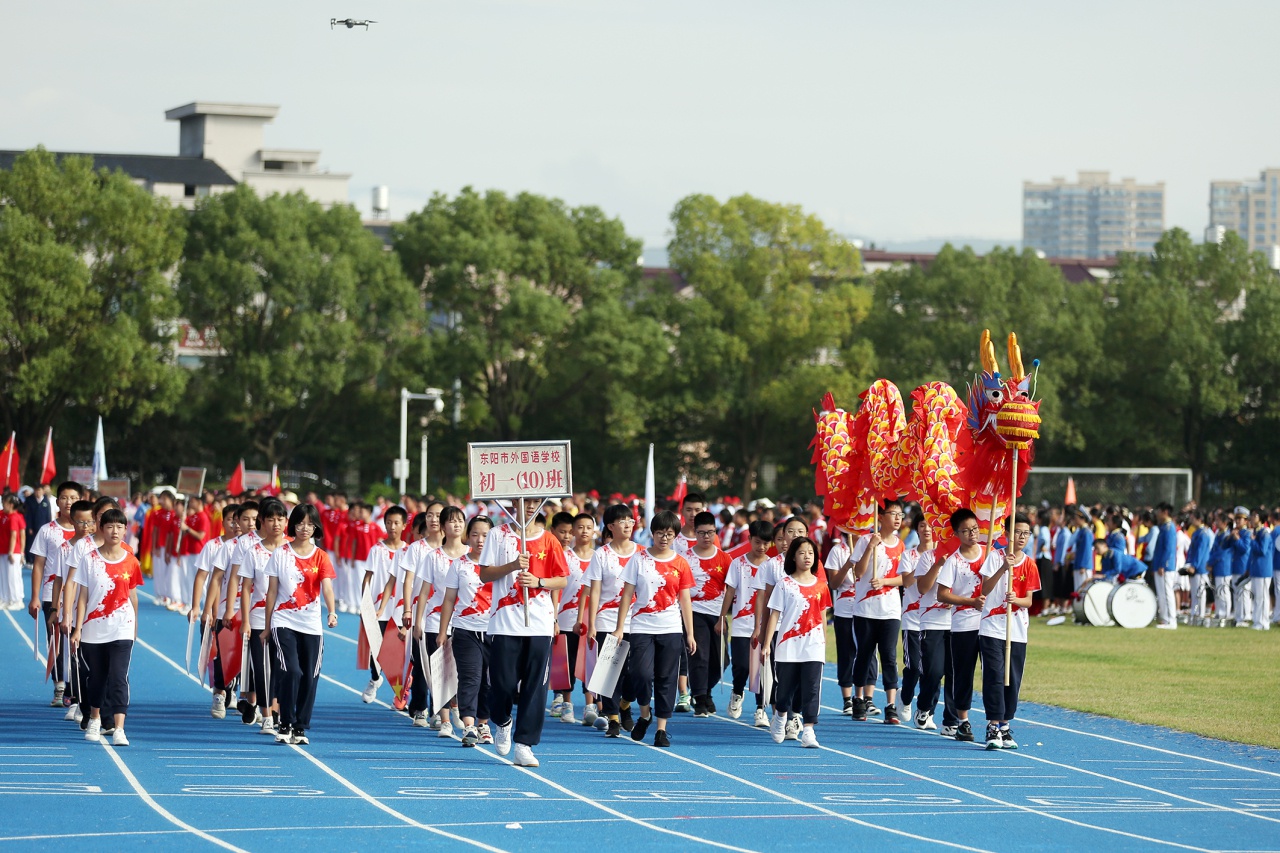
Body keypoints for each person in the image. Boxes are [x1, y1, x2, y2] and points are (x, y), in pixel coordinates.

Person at [477, 497, 569, 767]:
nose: (530, 506)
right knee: (502, 684)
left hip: (539, 623)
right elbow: (484, 575)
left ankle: (525, 744)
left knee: (535, 687)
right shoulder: (497, 535)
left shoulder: (549, 540)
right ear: (514, 503)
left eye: (536, 502)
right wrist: (514, 566)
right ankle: (503, 721)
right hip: (504, 622)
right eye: (525, 501)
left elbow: (562, 578)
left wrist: (539, 581)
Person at [612, 511, 696, 748]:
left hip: (670, 627)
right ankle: (645, 714)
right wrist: (620, 628)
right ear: (653, 533)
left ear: (675, 536)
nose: (664, 538)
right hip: (641, 625)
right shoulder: (639, 559)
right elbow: (627, 594)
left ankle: (661, 729)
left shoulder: (680, 563)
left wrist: (689, 633)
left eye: (669, 534)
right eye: (660, 533)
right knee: (640, 673)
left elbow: (685, 599)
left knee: (666, 678)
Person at [264, 503, 337, 745]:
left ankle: (300, 727)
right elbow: (272, 591)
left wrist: (332, 612)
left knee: (310, 676)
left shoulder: (321, 556)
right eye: (300, 523)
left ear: (316, 527)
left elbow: (326, 586)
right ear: (292, 525)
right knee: (291, 671)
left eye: (310, 524)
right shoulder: (281, 554)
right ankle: (284, 722)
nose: (305, 528)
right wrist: (267, 625)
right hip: (283, 620)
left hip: (312, 625)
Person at [69, 508, 141, 745]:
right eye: (110, 526)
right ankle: (95, 719)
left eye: (120, 527)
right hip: (93, 628)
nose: (115, 531)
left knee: (119, 677)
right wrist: (77, 628)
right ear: (102, 528)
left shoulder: (131, 561)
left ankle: (120, 727)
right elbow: (82, 596)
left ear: (125, 530)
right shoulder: (89, 558)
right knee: (97, 677)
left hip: (122, 627)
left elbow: (133, 596)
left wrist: (134, 627)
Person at [761, 536, 829, 748]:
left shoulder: (821, 586)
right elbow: (774, 615)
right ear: (793, 557)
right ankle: (780, 716)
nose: (807, 557)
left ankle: (808, 730)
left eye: (810, 552)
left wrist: (823, 643)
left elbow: (823, 616)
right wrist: (766, 644)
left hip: (813, 646)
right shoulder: (785, 584)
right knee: (785, 691)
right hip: (788, 646)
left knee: (811, 689)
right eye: (801, 552)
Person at [979, 514, 1039, 750]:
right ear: (1006, 533)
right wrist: (1004, 567)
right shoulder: (994, 557)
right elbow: (984, 588)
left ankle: (1005, 725)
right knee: (994, 675)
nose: (1021, 537)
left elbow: (1029, 601)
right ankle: (993, 725)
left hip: (1017, 630)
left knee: (1012, 679)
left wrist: (1017, 600)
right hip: (992, 628)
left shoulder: (1030, 564)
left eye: (1026, 533)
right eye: (1017, 532)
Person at [582, 503, 642, 737]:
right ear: (610, 526)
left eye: (630, 520)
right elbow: (594, 591)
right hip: (607, 619)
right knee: (609, 672)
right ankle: (613, 716)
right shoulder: (602, 555)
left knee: (636, 673)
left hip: (638, 621)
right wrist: (592, 623)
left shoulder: (642, 552)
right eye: (622, 521)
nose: (628, 524)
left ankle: (625, 704)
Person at [847, 500, 907, 724]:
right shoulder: (865, 540)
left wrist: (884, 581)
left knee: (890, 657)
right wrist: (871, 546)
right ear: (880, 516)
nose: (898, 518)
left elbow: (905, 578)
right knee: (864, 654)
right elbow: (858, 573)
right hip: (865, 609)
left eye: (900, 514)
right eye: (893, 513)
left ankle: (891, 704)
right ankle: (859, 699)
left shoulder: (901, 546)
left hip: (890, 610)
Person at [411, 505, 469, 734]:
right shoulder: (433, 557)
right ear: (443, 526)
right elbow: (424, 592)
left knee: (462, 670)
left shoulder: (472, 554)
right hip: (435, 621)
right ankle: (444, 719)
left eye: (460, 521)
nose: (456, 525)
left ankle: (456, 705)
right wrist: (418, 622)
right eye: (451, 521)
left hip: (465, 621)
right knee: (440, 671)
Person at [438, 515, 495, 746]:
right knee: (470, 678)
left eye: (486, 535)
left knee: (490, 682)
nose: (480, 540)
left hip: (496, 631)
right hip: (466, 630)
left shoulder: (501, 565)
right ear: (467, 537)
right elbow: (449, 600)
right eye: (475, 534)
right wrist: (443, 631)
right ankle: (469, 726)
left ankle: (484, 724)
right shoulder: (459, 565)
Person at [934, 508, 989, 742]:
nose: (972, 534)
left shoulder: (990, 553)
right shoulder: (954, 561)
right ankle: (963, 721)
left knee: (993, 673)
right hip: (963, 625)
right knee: (963, 674)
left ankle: (995, 720)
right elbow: (941, 594)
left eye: (975, 529)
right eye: (966, 531)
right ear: (956, 533)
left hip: (989, 624)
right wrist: (970, 601)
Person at [236, 498, 287, 736]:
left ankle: (278, 712)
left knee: (282, 670)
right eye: (270, 519)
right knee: (262, 669)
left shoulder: (292, 549)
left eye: (280, 519)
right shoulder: (253, 551)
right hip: (258, 619)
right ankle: (267, 716)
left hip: (287, 619)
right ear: (262, 523)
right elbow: (245, 587)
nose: (275, 524)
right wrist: (245, 620)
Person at [29, 481, 82, 707]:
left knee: (78, 641)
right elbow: (39, 565)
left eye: (73, 498)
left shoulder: (88, 531)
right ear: (57, 501)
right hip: (53, 593)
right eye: (64, 498)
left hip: (81, 594)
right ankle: (60, 686)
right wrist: (34, 597)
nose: (68, 502)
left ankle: (78, 688)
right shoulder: (47, 530)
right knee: (56, 641)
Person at [719, 520, 772, 727]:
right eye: (758, 542)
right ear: (749, 539)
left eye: (766, 543)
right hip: (742, 624)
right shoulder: (738, 564)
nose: (762, 547)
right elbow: (730, 592)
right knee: (741, 666)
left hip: (764, 625)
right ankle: (738, 691)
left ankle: (760, 709)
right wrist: (722, 617)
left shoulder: (772, 565)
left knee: (760, 668)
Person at [192, 504, 240, 719]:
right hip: (217, 609)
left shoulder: (252, 546)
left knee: (240, 656)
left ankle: (235, 689)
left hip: (243, 611)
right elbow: (204, 577)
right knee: (217, 656)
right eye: (231, 519)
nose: (236, 524)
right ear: (223, 522)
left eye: (240, 520)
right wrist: (199, 607)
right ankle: (219, 692)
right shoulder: (213, 546)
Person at [361, 504, 408, 703]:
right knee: (376, 652)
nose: (392, 527)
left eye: (396, 523)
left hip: (399, 610)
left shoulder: (409, 551)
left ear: (404, 525)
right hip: (379, 609)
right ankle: (374, 678)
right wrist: (365, 602)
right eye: (388, 522)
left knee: (397, 657)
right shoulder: (377, 550)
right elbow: (368, 577)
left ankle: (400, 694)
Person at [552, 512, 596, 725]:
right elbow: (556, 590)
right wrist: (554, 618)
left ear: (594, 530)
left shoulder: (599, 556)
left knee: (590, 664)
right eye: (580, 527)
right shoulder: (565, 557)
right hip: (567, 618)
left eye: (589, 527)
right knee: (566, 665)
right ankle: (567, 704)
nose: (584, 531)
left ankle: (590, 706)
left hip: (593, 621)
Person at [686, 511, 731, 717]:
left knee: (722, 660)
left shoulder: (725, 559)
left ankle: (707, 689)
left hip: (718, 613)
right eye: (702, 533)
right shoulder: (685, 558)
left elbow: (731, 590)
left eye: (710, 532)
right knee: (700, 656)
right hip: (694, 612)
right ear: (695, 533)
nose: (706, 537)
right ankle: (700, 698)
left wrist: (723, 617)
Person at [897, 515, 932, 722]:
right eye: (922, 525)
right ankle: (906, 696)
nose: (927, 529)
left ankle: (926, 710)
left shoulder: (943, 556)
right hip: (913, 617)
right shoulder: (909, 555)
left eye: (930, 525)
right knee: (914, 666)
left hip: (936, 618)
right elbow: (908, 582)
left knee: (933, 668)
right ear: (916, 529)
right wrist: (925, 567)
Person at [1150, 503, 1178, 629]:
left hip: (1165, 566)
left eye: (1159, 511)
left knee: (1167, 593)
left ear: (1165, 512)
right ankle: (1165, 618)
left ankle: (1172, 620)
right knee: (1162, 593)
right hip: (1160, 565)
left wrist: (1163, 564)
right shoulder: (1164, 527)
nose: (1157, 514)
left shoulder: (1169, 527)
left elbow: (1169, 549)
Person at [4, 494, 28, 611]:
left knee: (13, 576)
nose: (3, 505)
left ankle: (17, 600)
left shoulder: (15, 517)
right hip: (3, 550)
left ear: (11, 505)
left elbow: (16, 536)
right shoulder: (4, 515)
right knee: (4, 577)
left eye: (5, 503)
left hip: (13, 552)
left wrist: (13, 552)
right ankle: (6, 598)